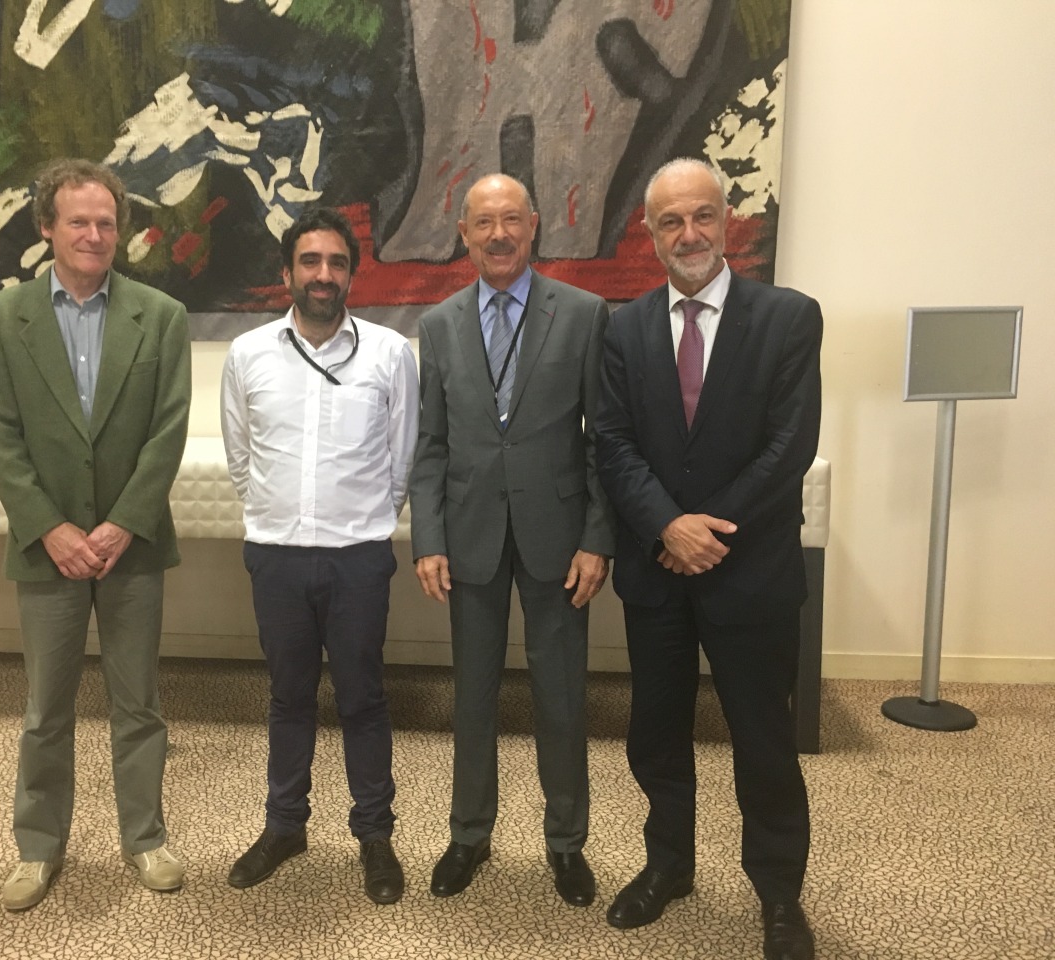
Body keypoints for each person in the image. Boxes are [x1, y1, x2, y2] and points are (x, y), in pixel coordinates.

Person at [595, 157, 821, 960]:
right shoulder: (621, 329)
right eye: (669, 222)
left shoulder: (789, 318)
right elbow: (613, 444)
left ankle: (779, 894)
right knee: (656, 734)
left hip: (748, 572)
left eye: (701, 217)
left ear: (728, 221)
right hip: (658, 573)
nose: (688, 234)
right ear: (650, 235)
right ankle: (668, 867)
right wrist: (666, 526)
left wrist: (704, 530)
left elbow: (790, 447)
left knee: (762, 739)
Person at [0, 159, 192, 910]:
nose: (94, 234)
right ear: (46, 228)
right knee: (46, 708)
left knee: (139, 705)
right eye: (78, 221)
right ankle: (38, 848)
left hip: (133, 547)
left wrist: (124, 522)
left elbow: (167, 434)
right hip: (47, 550)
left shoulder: (160, 316)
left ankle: (146, 838)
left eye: (106, 222)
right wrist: (53, 529)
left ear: (120, 230)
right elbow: (2, 442)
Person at [408, 173, 614, 907]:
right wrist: (426, 536)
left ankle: (567, 843)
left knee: (562, 695)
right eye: (482, 223)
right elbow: (429, 445)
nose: (498, 235)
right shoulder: (436, 327)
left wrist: (598, 537)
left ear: (534, 226)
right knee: (473, 695)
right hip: (468, 538)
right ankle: (469, 834)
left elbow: (603, 441)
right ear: (461, 233)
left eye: (511, 221)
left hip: (560, 540)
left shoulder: (586, 315)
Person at [220, 207, 418, 905]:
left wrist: (359, 524)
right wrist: (279, 515)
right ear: (287, 274)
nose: (324, 275)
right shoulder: (248, 354)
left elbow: (402, 463)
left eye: (337, 263)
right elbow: (240, 457)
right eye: (310, 262)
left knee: (363, 697)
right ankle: (284, 825)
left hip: (358, 557)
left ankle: (374, 833)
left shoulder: (391, 354)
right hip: (276, 556)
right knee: (287, 696)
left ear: (352, 275)